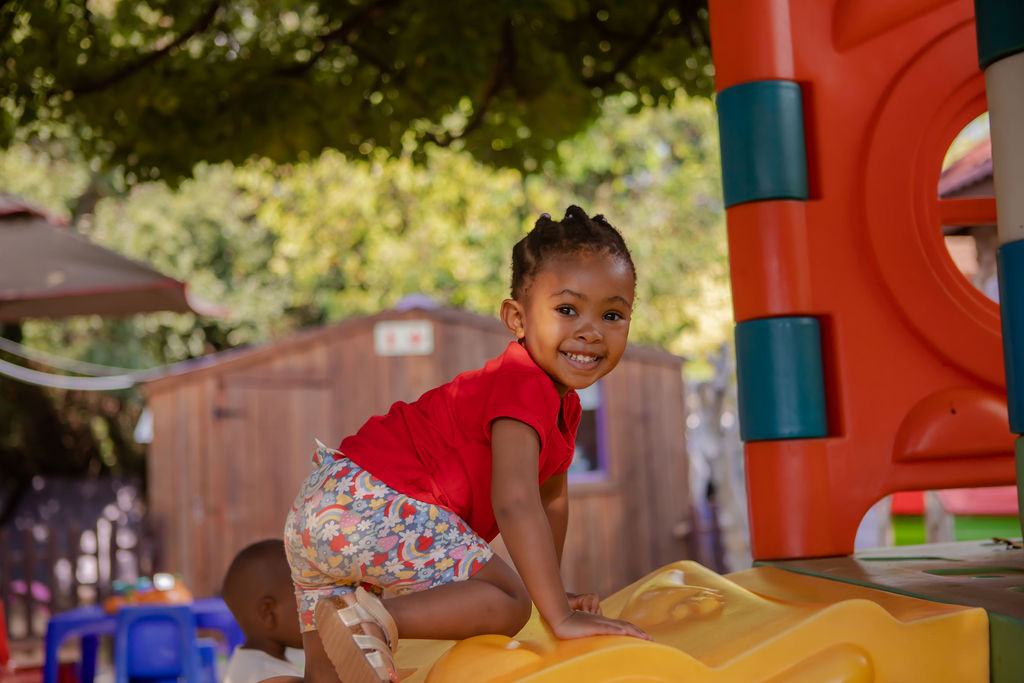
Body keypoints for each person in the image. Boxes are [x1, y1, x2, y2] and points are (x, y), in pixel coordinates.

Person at [284, 206, 649, 683]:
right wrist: (556, 615)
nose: (591, 330)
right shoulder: (525, 385)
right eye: (566, 310)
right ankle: (371, 618)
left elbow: (551, 500)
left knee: (326, 677)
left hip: (324, 507)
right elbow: (516, 501)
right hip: (377, 502)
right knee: (508, 601)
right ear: (516, 318)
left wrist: (554, 593)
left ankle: (337, 635)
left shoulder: (560, 405)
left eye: (612, 314)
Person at [222, 539, 305, 683]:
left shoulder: (247, 663)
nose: (316, 607)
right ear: (268, 613)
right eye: (307, 597)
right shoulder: (269, 675)